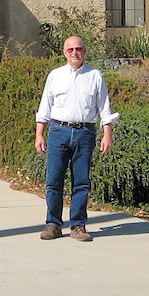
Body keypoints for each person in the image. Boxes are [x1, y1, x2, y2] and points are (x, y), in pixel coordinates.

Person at [33, 35, 118, 241]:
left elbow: (104, 108)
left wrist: (107, 134)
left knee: (81, 182)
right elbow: (45, 107)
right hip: (58, 133)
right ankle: (53, 224)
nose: (74, 53)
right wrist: (39, 134)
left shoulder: (95, 76)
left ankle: (78, 225)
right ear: (64, 52)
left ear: (84, 51)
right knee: (54, 181)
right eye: (70, 50)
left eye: (78, 49)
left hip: (84, 133)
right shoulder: (55, 76)